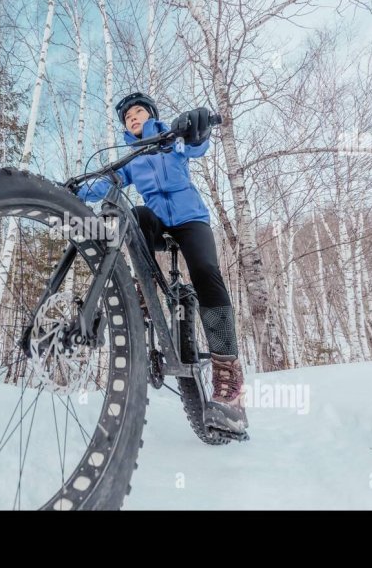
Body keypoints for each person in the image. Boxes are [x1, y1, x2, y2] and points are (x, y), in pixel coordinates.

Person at [76, 91, 246, 426]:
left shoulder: (173, 141)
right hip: (154, 223)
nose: (133, 118)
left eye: (138, 112)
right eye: (127, 117)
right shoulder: (131, 160)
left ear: (151, 115)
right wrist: (72, 190)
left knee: (205, 272)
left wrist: (197, 128)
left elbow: (196, 146)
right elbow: (104, 184)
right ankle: (142, 290)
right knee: (132, 212)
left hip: (190, 219)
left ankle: (229, 376)